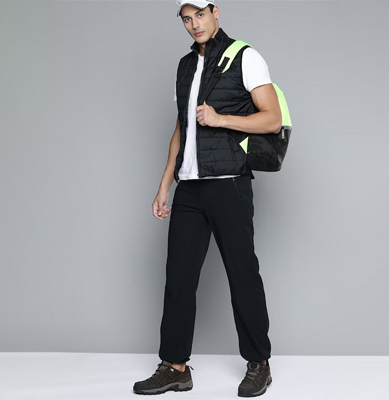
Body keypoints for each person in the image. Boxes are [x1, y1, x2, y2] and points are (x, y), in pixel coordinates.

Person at [133, 0, 282, 397]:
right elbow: (181, 128)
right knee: (179, 278)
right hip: (189, 187)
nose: (193, 24)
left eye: (199, 14)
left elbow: (272, 118)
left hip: (229, 183)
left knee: (242, 274)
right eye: (186, 18)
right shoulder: (185, 66)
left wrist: (220, 119)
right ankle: (175, 367)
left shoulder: (245, 57)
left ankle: (259, 363)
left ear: (216, 11)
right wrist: (165, 183)